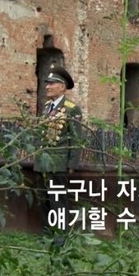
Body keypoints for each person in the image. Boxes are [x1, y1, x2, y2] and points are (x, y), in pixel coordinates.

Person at [34, 65, 84, 240]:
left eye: (51, 83)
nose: (47, 86)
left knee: (58, 201)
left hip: (58, 163)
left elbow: (76, 138)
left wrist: (72, 164)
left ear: (62, 87)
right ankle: (47, 232)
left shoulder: (71, 109)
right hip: (42, 162)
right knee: (43, 199)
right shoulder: (47, 106)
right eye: (47, 83)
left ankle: (60, 236)